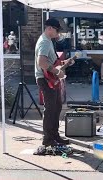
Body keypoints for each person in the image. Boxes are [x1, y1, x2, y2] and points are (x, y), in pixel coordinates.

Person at [35, 18, 75, 146]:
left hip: (49, 78)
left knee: (56, 107)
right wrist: (57, 72)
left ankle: (54, 135)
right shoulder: (45, 42)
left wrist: (65, 63)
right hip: (45, 79)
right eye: (57, 30)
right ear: (50, 28)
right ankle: (48, 139)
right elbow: (41, 62)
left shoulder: (48, 41)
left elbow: (52, 62)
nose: (58, 34)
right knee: (50, 109)